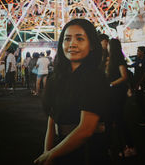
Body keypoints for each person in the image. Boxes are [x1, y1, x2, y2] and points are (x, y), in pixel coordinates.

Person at [34, 18, 110, 165]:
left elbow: (86, 129)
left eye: (80, 39)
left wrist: (50, 155)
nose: (72, 44)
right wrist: (47, 152)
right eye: (67, 39)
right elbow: (52, 120)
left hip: (86, 152)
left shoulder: (95, 78)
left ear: (92, 45)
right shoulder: (56, 78)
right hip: (60, 147)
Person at [105, 38, 137, 158]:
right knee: (115, 120)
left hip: (117, 93)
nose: (107, 47)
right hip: (113, 93)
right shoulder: (111, 60)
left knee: (120, 120)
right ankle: (122, 147)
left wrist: (111, 84)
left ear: (112, 47)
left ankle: (130, 147)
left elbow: (124, 76)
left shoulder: (118, 60)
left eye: (108, 45)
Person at [131, 46, 145, 126]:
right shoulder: (138, 59)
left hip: (141, 84)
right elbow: (133, 65)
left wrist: (139, 83)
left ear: (143, 52)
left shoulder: (144, 61)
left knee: (141, 100)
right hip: (137, 83)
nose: (137, 52)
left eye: (138, 51)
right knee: (138, 99)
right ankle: (141, 116)